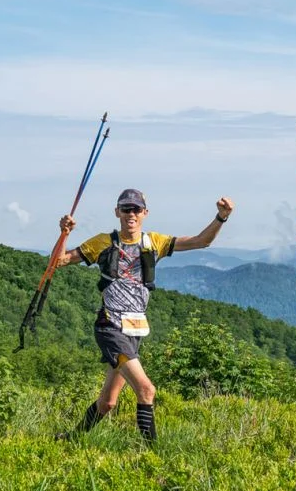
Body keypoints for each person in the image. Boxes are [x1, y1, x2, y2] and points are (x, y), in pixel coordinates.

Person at [55, 188, 235, 441]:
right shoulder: (102, 242)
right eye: (126, 209)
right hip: (110, 326)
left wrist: (221, 217)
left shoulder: (154, 242)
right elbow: (58, 261)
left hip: (134, 330)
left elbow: (200, 241)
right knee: (147, 389)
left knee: (107, 403)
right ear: (117, 212)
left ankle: (72, 439)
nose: (131, 213)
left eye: (136, 209)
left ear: (145, 213)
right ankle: (151, 455)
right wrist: (64, 234)